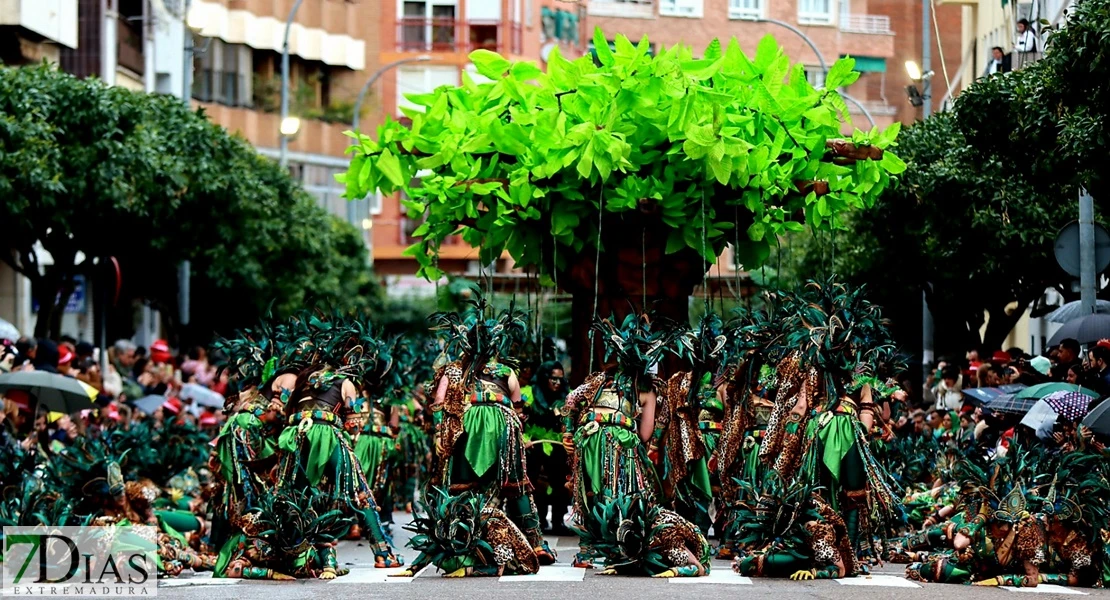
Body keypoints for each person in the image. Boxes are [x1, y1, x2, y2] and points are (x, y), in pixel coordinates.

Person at [417, 296, 555, 574]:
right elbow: (517, 410)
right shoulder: (506, 372)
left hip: (465, 427)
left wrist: (439, 439)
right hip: (503, 425)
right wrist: (520, 435)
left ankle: (464, 540)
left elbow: (438, 406)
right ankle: (536, 543)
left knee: (462, 486)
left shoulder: (452, 371)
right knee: (515, 482)